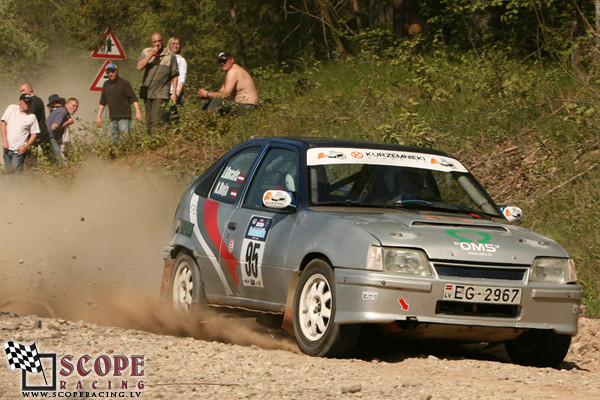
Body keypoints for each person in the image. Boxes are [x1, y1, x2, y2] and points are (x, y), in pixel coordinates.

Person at [136, 32, 179, 131]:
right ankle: (151, 143)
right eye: (154, 42)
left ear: (163, 41)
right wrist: (150, 55)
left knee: (157, 120)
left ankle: (158, 143)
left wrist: (174, 93)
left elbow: (175, 75)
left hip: (161, 92)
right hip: (147, 92)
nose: (157, 44)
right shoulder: (146, 52)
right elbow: (139, 67)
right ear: (152, 43)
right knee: (149, 122)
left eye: (159, 41)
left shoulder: (170, 55)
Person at [96, 62, 142, 143]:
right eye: (108, 72)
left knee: (124, 141)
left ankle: (126, 155)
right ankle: (116, 156)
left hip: (124, 118)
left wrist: (138, 112)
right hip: (113, 119)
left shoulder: (124, 83)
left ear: (117, 71)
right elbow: (102, 102)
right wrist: (98, 117)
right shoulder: (106, 84)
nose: (111, 74)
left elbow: (133, 98)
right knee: (114, 142)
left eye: (112, 71)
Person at [1, 94, 40, 174]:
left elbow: (34, 134)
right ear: (20, 101)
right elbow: (3, 124)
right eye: (26, 102)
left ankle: (17, 186)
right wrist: (5, 141)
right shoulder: (11, 108)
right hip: (7, 149)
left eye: (29, 102)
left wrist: (25, 146)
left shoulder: (31, 117)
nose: (27, 104)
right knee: (9, 173)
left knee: (15, 175)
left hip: (18, 152)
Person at [19, 82, 54, 166]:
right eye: (21, 91)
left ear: (30, 89)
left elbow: (29, 119)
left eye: (23, 90)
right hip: (43, 133)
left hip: (35, 134)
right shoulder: (39, 100)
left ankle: (32, 177)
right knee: (50, 157)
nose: (22, 93)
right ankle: (55, 173)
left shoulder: (32, 102)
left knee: (31, 161)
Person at [46, 97, 78, 165]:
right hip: (50, 137)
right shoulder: (62, 111)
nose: (75, 108)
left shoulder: (62, 111)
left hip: (51, 137)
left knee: (55, 159)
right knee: (61, 159)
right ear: (66, 104)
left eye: (76, 107)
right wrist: (68, 122)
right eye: (73, 105)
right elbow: (54, 127)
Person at [164, 37, 187, 123]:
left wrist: (177, 93)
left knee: (172, 119)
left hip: (174, 93)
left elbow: (182, 78)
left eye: (177, 43)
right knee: (164, 118)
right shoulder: (165, 58)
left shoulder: (181, 60)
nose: (175, 45)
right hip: (164, 92)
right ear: (169, 45)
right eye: (173, 43)